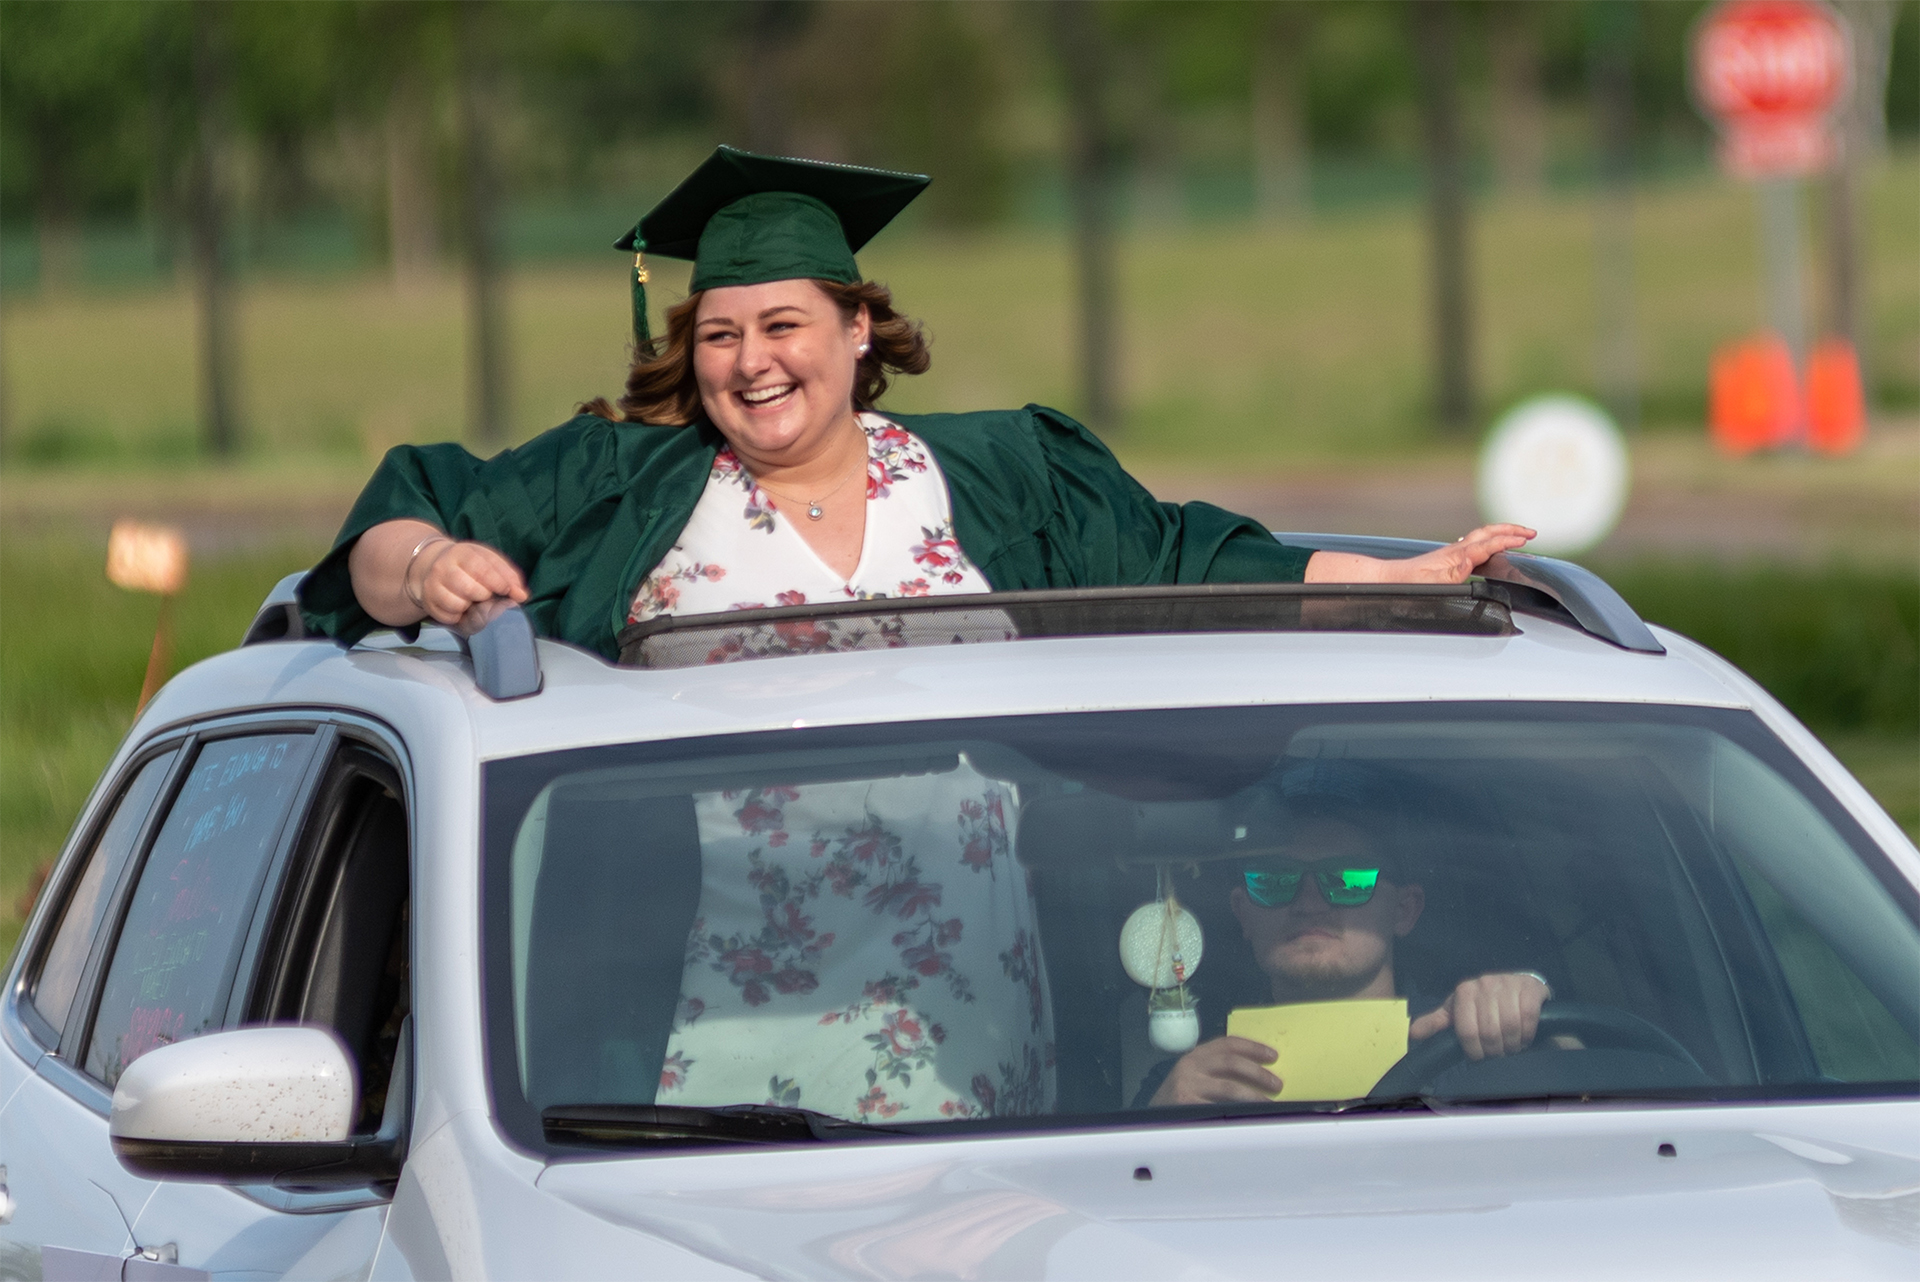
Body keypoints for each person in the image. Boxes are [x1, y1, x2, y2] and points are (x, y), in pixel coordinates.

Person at [295, 145, 1534, 661]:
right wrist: (438, 563)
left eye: (784, 326)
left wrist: (1408, 582)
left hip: (984, 988)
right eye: (720, 333)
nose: (751, 361)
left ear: (857, 327)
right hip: (686, 1010)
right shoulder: (619, 476)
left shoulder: (1004, 475)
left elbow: (1187, 561)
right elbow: (392, 536)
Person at [1148, 762, 1550, 1106]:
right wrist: (1158, 1114)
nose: (1309, 902)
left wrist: (1530, 1012)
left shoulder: (1475, 1040)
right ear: (1243, 913)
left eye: (1348, 879)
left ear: (1404, 910)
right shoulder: (1191, 1083)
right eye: (1273, 880)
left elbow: (1590, 1093)